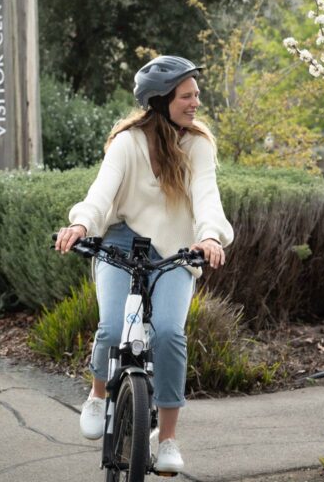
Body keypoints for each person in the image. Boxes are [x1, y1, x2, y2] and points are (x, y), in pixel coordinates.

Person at [53, 55, 233, 473]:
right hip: (120, 240)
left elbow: (207, 195)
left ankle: (167, 439)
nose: (195, 103)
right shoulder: (128, 142)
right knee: (113, 327)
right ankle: (99, 395)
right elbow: (101, 191)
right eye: (187, 96)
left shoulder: (198, 145)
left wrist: (209, 235)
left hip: (173, 248)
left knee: (169, 332)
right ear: (160, 100)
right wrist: (80, 224)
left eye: (196, 95)